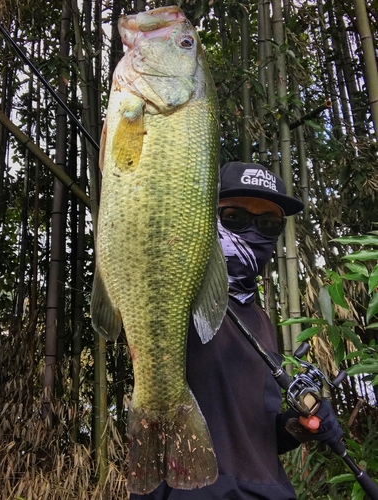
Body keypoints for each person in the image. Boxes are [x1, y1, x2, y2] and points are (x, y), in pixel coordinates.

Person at [130, 162, 343, 500]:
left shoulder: (261, 320)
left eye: (269, 223)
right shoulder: (173, 295)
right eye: (233, 218)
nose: (254, 233)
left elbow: (255, 428)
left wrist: (295, 426)